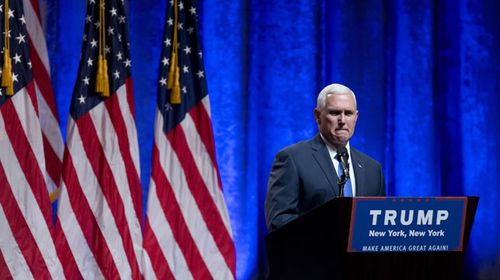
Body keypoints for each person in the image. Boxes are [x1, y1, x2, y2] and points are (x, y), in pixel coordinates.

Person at [264, 83, 386, 231]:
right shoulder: (292, 159)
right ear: (317, 116)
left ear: (356, 117)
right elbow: (279, 221)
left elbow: (379, 226)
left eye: (348, 113)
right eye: (335, 113)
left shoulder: (372, 169)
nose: (342, 120)